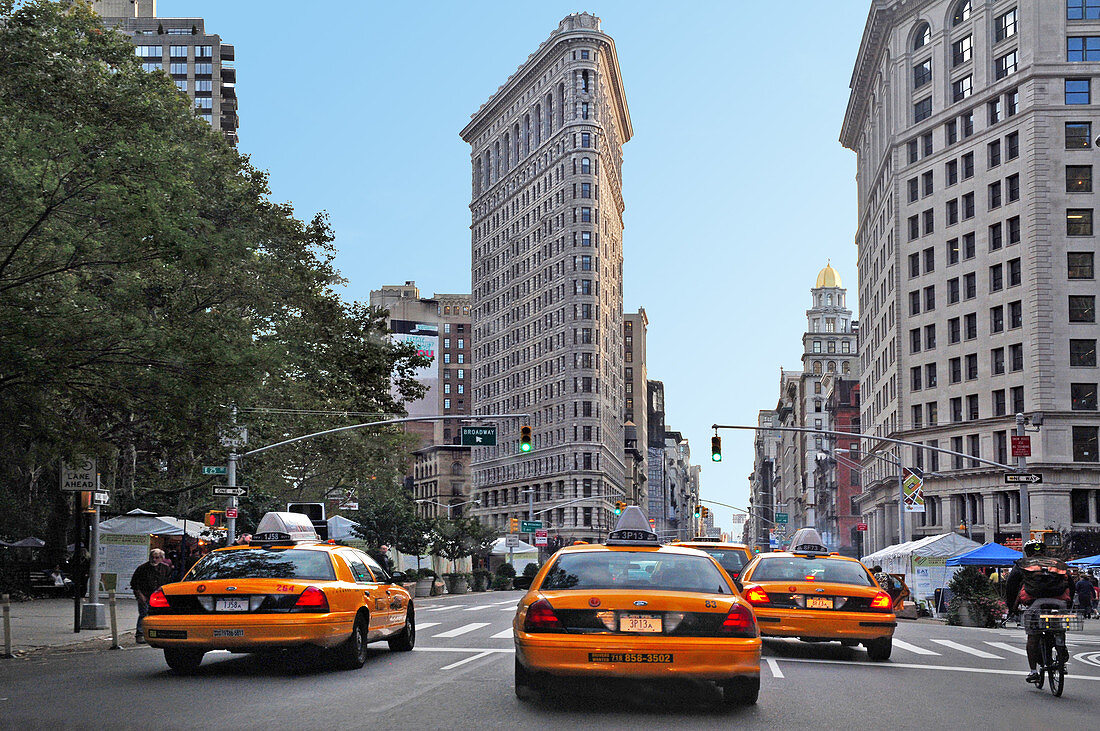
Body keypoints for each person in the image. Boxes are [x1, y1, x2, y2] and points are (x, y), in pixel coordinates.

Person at [1005, 539, 1075, 684]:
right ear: (1044, 551)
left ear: (1027, 552)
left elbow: (1011, 586)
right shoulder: (1058, 563)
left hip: (1035, 604)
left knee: (1033, 636)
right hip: (1059, 604)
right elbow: (1071, 585)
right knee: (1058, 629)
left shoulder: (1023, 564)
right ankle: (1061, 651)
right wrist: (1069, 604)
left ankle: (1033, 671)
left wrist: (1011, 607)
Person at [131, 548, 172, 644]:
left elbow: (169, 582)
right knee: (144, 614)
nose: (154, 560)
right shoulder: (142, 568)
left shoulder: (166, 569)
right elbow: (134, 583)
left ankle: (156, 634)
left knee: (158, 616)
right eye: (152, 557)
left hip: (158, 596)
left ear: (161, 558)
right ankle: (140, 635)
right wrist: (140, 595)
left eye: (157, 558)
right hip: (145, 594)